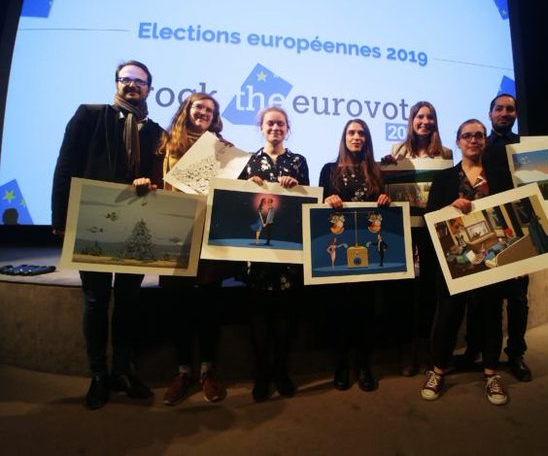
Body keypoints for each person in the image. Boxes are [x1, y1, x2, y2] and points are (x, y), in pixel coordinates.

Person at [51, 60, 164, 410]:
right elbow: (65, 166)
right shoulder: (89, 115)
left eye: (139, 82)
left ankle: (122, 370)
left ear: (149, 88)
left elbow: (160, 176)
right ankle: (98, 374)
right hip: (93, 221)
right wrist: (61, 219)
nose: (132, 86)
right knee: (96, 301)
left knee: (128, 301)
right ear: (116, 83)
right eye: (126, 80)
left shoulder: (156, 131)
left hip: (135, 226)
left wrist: (152, 184)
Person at [459, 93, 548, 383]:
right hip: (487, 231)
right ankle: (476, 350)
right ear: (490, 113)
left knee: (518, 298)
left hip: (520, 228)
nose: (504, 113)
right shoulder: (480, 147)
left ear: (515, 114)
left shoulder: (527, 147)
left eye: (510, 109)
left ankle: (516, 355)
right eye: (499, 108)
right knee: (482, 298)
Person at [422, 118, 509, 405]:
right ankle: (437, 370)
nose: (474, 140)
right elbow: (429, 218)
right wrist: (449, 208)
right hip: (454, 262)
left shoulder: (500, 177)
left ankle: (491, 373)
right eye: (468, 136)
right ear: (458, 141)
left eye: (479, 136)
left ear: (485, 141)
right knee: (448, 316)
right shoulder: (445, 179)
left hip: (493, 259)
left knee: (490, 316)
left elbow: (512, 216)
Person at [156, 92, 230, 406]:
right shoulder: (165, 144)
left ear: (215, 118)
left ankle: (208, 372)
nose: (203, 112)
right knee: (177, 308)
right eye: (198, 107)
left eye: (209, 110)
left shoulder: (223, 149)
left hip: (210, 237)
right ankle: (183, 372)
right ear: (187, 110)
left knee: (209, 308)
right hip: (175, 235)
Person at [239, 106, 309, 402]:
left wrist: (298, 186)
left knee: (285, 318)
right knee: (258, 317)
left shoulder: (298, 161)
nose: (275, 128)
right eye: (270, 123)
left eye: (281, 124)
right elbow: (238, 205)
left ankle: (281, 370)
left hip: (288, 252)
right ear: (261, 127)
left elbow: (307, 203)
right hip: (256, 252)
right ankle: (261, 374)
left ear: (287, 128)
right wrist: (245, 187)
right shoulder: (248, 161)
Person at [319, 118, 391, 392]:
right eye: (351, 132)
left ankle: (363, 366)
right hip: (338, 250)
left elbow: (384, 207)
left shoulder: (376, 171)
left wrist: (385, 200)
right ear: (344, 137)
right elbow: (318, 207)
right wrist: (326, 201)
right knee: (339, 310)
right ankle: (340, 365)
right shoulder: (329, 170)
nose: (356, 137)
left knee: (365, 310)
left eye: (361, 133)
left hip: (369, 253)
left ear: (367, 139)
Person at [381, 101, 452, 377]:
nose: (425, 121)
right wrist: (386, 169)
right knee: (403, 292)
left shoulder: (445, 153)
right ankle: (405, 349)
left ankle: (424, 347)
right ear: (411, 121)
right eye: (420, 116)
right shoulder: (396, 152)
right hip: (403, 230)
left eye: (430, 117)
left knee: (428, 292)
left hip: (431, 231)